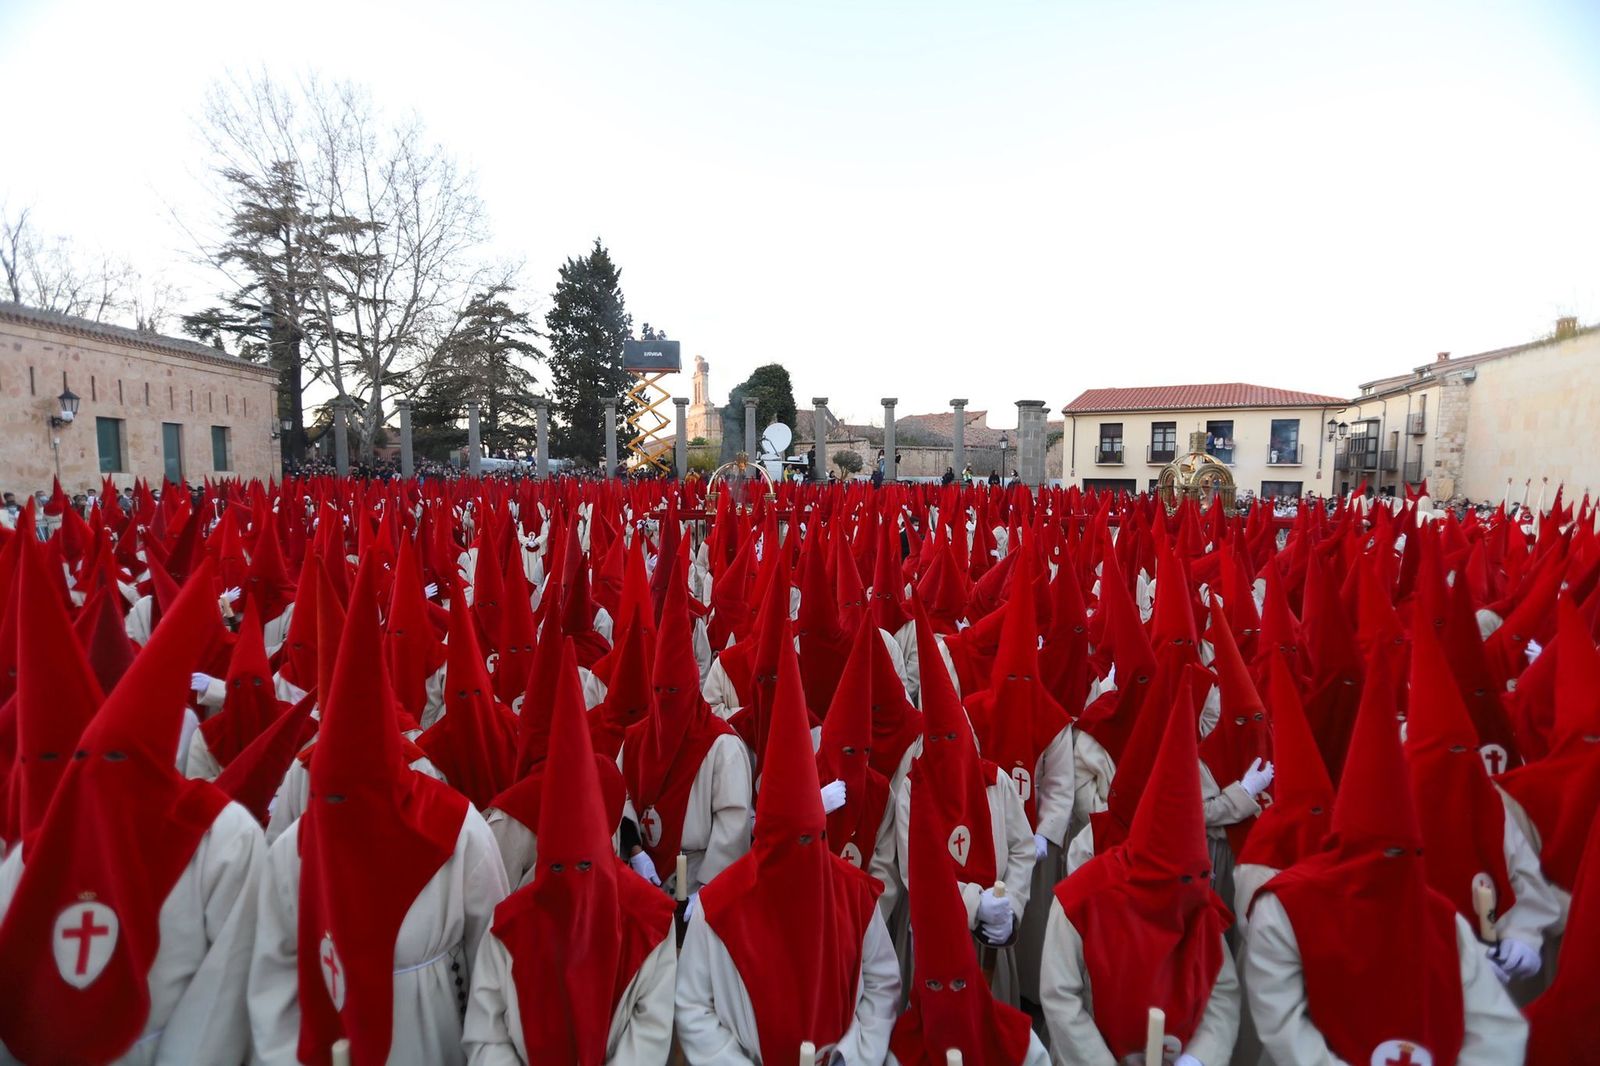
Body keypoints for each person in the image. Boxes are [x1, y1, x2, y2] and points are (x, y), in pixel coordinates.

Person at [0, 555, 264, 1064]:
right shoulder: (24, 863)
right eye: (81, 761)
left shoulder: (219, 836)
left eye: (118, 759)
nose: (102, 779)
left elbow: (231, 980)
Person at [248, 554, 509, 1065]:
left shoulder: (457, 832)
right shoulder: (293, 852)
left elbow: (493, 955)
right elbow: (272, 974)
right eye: (330, 791)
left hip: (436, 1034)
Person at [1243, 655, 1527, 1065]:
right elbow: (1282, 1024)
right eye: (1386, 852)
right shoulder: (1287, 908)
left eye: (1408, 854)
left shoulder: (1440, 918)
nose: (1395, 867)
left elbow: (1497, 1029)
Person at [676, 632, 900, 1063]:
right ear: (766, 838)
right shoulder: (719, 906)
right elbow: (692, 1005)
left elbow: (882, 982)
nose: (805, 853)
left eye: (813, 839)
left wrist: (851, 1057)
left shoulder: (854, 896)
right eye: (793, 840)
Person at [462, 627, 677, 1065]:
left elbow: (650, 1030)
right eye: (558, 869)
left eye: (584, 866)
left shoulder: (650, 923)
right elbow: (487, 1036)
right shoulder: (507, 928)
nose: (572, 885)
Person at [1041, 674, 1240, 1065]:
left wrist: (1200, 1059)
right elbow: (1061, 997)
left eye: (1200, 876)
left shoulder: (1199, 905)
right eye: (1181, 878)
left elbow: (1223, 993)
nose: (1194, 887)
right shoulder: (1083, 900)